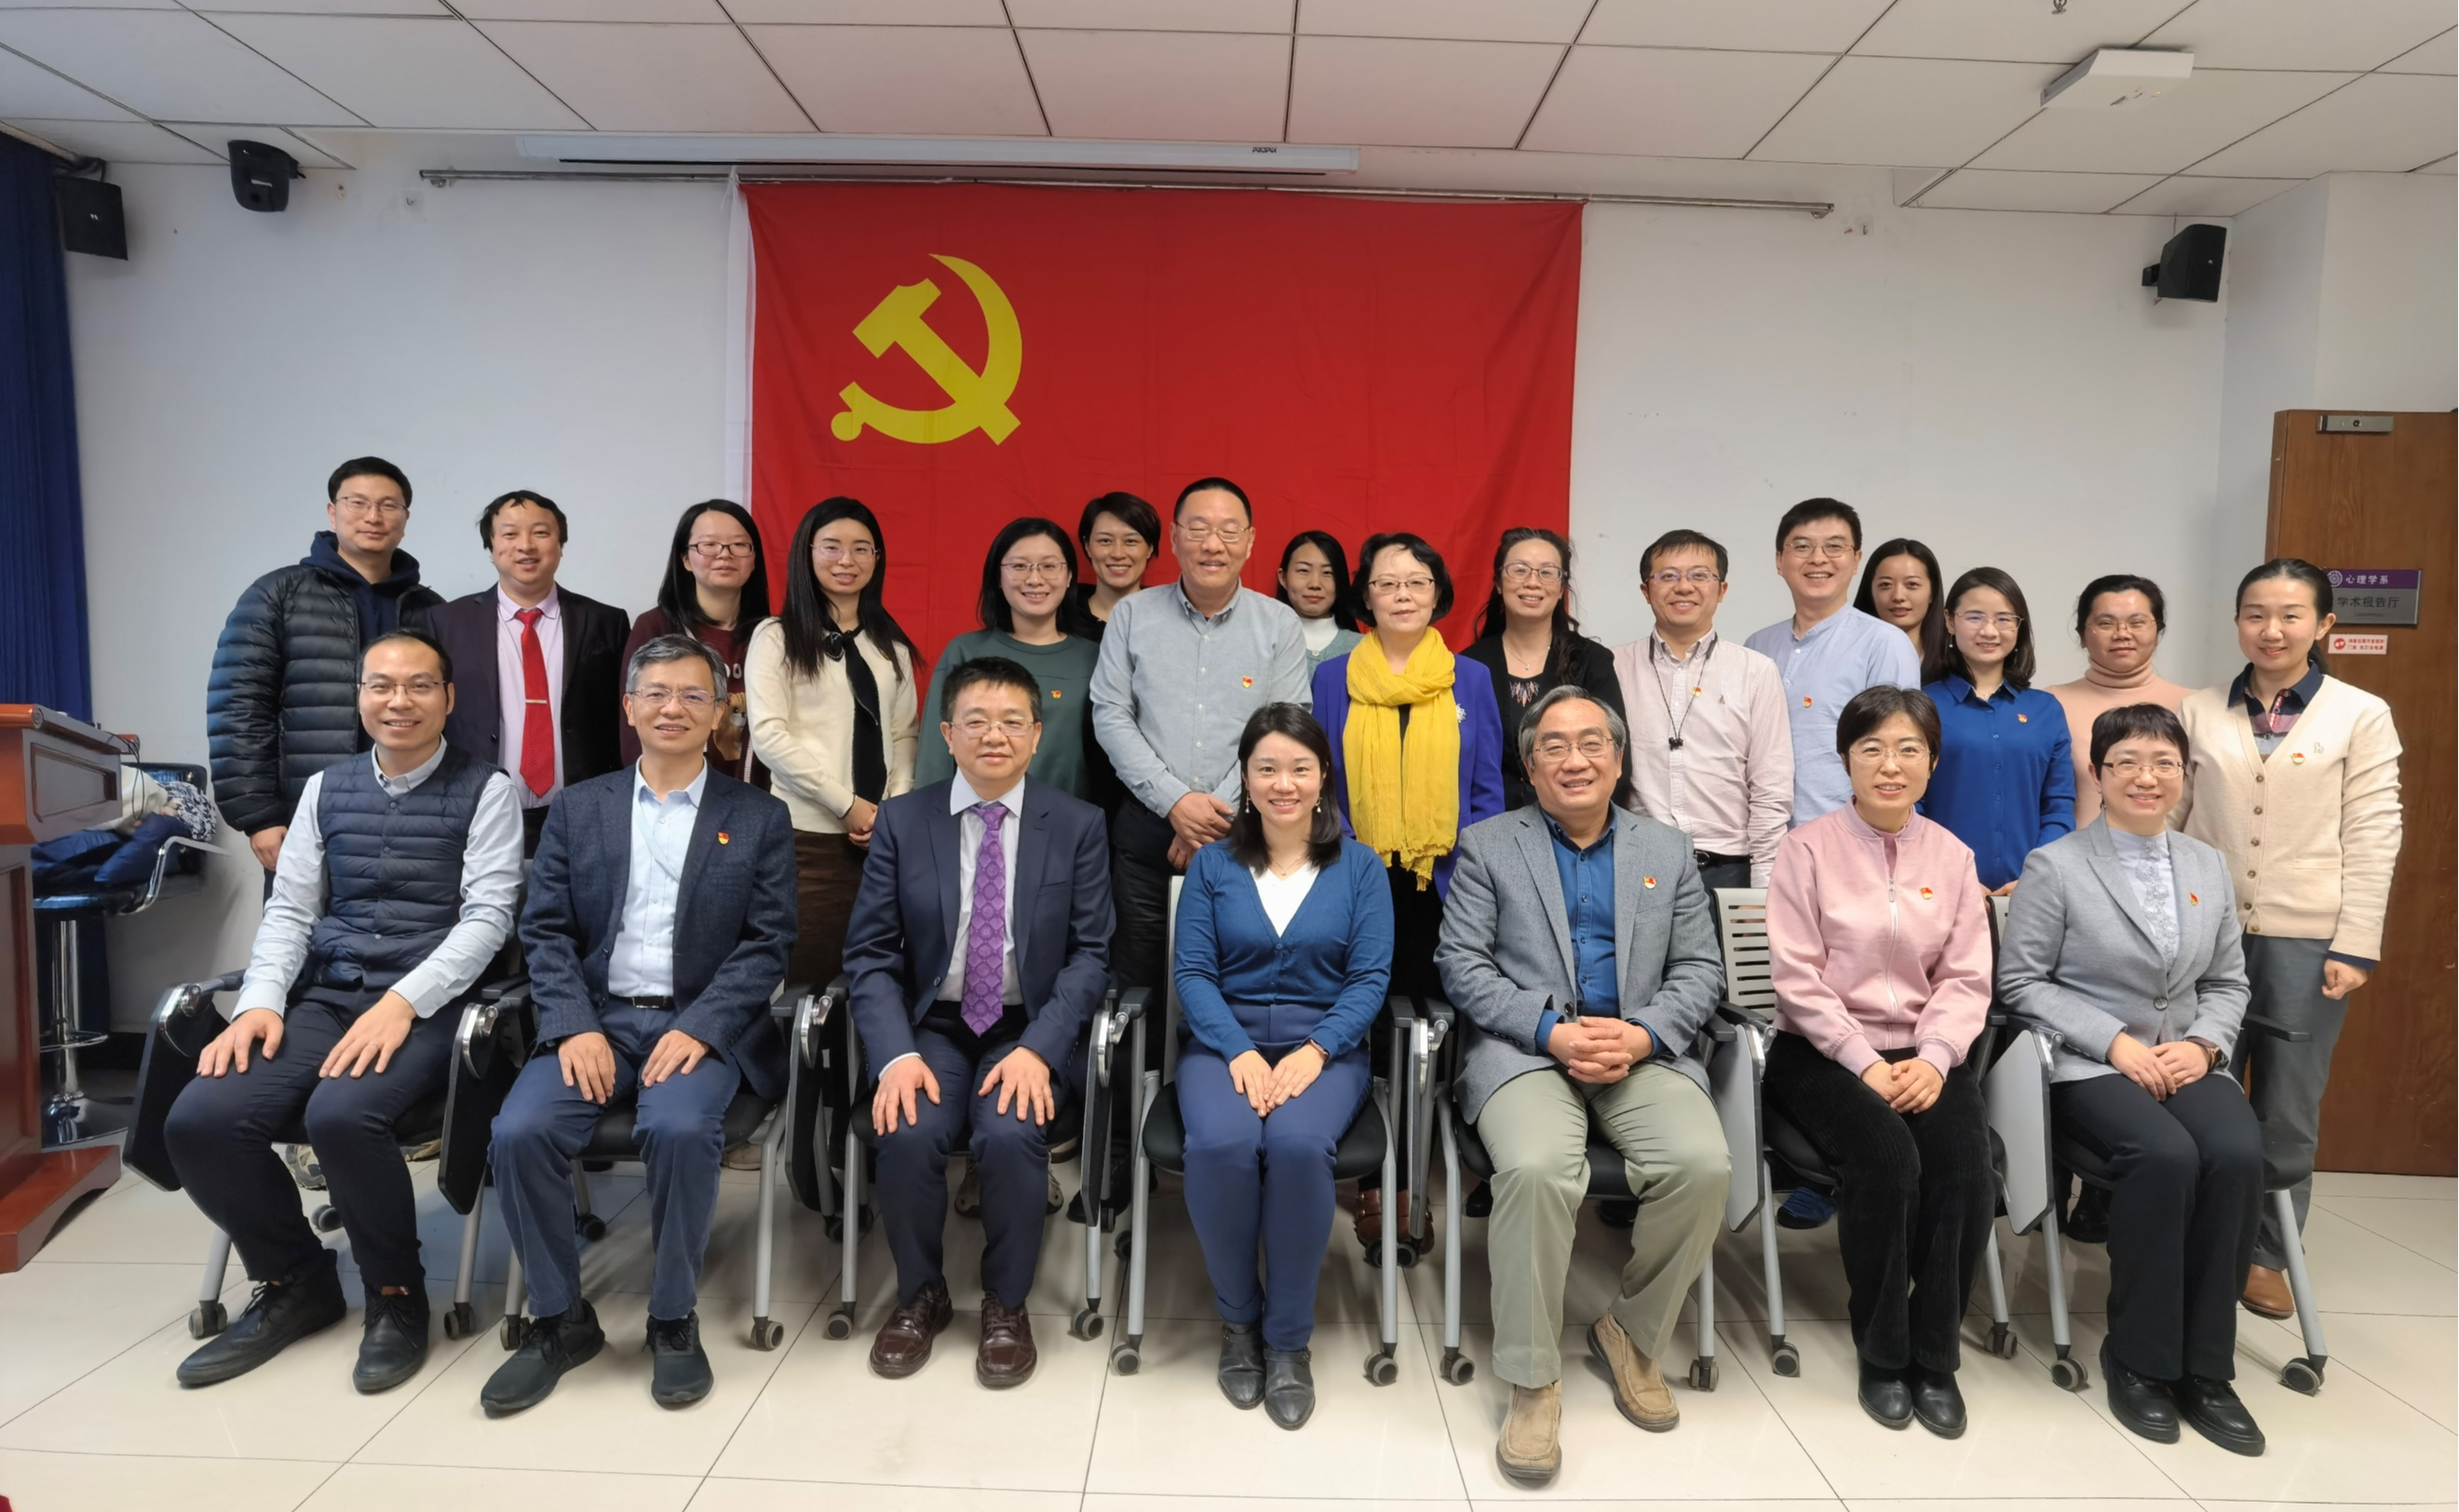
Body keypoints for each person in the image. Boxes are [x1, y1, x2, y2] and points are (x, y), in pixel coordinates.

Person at [167, 630, 520, 1395]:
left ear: (448, 699)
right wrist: (260, 1004)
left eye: (419, 685)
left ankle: (395, 1294)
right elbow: (291, 911)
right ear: (359, 696)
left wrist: (402, 1002)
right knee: (200, 1120)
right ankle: (295, 1279)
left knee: (341, 1115)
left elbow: (488, 918)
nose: (399, 701)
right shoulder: (325, 788)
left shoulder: (489, 789)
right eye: (381, 685)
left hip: (430, 1004)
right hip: (329, 996)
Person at [480, 633, 796, 1416]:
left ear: (720, 713)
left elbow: (767, 944)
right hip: (596, 1019)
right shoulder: (580, 807)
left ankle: (671, 1317)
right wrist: (572, 1023)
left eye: (693, 695)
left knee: (680, 1129)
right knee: (518, 1131)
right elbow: (545, 931)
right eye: (655, 693)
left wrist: (705, 1025)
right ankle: (559, 1319)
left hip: (697, 1024)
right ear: (629, 707)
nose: (672, 708)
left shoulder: (758, 816)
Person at [1433, 686, 1731, 1486]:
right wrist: (1549, 1031)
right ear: (1530, 768)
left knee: (1702, 1166)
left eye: (1592, 743)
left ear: (1618, 759)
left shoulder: (1666, 850)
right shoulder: (1488, 846)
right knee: (1536, 1170)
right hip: (1526, 1051)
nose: (1575, 760)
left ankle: (1630, 1332)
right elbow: (1461, 964)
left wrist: (1643, 1034)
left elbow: (1699, 968)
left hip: (1639, 1049)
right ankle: (1532, 1380)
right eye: (1554, 747)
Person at [1998, 703, 2266, 1456]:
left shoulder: (2206, 865)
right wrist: (2112, 1042)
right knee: (2164, 1156)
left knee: (2236, 1154)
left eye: (2163, 764)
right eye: (2126, 763)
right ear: (2098, 773)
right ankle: (2140, 1360)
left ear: (2183, 774)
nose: (2146, 778)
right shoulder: (2055, 866)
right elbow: (2020, 982)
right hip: (2088, 1062)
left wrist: (2207, 1046)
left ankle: (2205, 1368)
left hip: (2184, 1056)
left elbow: (2227, 982)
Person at [844, 657, 1114, 1389]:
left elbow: (1092, 955)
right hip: (930, 1025)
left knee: (1009, 1131)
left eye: (1011, 722)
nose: (994, 736)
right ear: (947, 734)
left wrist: (1041, 1049)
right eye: (976, 721)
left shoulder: (1077, 824)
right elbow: (869, 954)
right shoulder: (903, 821)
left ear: (1036, 735)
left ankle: (1006, 1301)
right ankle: (920, 1293)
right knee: (908, 1128)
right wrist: (894, 1055)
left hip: (1027, 1025)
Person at [1761, 685, 1993, 1439]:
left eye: (1907, 750)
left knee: (1964, 1168)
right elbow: (1795, 978)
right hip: (1818, 1052)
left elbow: (1966, 979)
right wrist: (1862, 1061)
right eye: (1871, 749)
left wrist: (1935, 1057)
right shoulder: (1806, 849)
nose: (1889, 766)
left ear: (1931, 762)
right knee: (1888, 1161)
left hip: (1924, 1052)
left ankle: (1935, 1356)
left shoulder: (1952, 856)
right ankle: (1884, 1352)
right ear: (1845, 760)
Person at [2178, 559, 2402, 1323]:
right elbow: (2168, 815)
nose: (2270, 630)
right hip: (2204, 936)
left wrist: (2356, 942)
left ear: (2323, 624)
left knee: (2285, 1103)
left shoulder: (2359, 714)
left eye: (2289, 615)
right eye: (2254, 614)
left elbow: (2373, 832)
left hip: (2307, 940)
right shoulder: (2197, 710)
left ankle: (2268, 1252)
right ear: (2236, 622)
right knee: (2195, 1087)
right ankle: (2195, 1233)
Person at [1173, 704, 1393, 1431]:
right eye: (1266, 768)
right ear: (1245, 778)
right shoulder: (1212, 865)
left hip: (1324, 1050)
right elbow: (1193, 973)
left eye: (1299, 767)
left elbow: (1369, 978)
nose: (1283, 783)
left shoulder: (1360, 867)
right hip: (1221, 1046)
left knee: (1298, 1145)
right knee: (1222, 1143)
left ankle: (1288, 1340)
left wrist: (1316, 1049)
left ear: (1323, 775)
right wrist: (1237, 1049)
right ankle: (1239, 1322)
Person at [1088, 477, 1311, 1001]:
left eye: (1229, 531)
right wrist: (1176, 803)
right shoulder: (1131, 616)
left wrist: (1210, 817)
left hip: (1245, 835)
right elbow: (1111, 714)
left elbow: (1285, 724)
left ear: (1250, 541)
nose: (1213, 545)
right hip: (1146, 833)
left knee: (1239, 987)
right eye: (1198, 529)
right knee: (1138, 987)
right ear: (1173, 538)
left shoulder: (1279, 623)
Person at [208, 456, 444, 875]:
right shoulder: (278, 595)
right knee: (302, 919)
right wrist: (259, 815)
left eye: (388, 505)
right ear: (333, 512)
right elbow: (239, 708)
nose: (373, 517)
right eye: (358, 503)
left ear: (405, 519)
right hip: (306, 812)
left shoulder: (430, 609)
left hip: (415, 813)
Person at [1309, 533, 1506, 996]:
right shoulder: (1333, 678)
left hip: (1448, 876)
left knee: (1435, 1005)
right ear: (1366, 597)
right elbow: (1318, 782)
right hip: (1353, 868)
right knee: (1358, 997)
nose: (1403, 595)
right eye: (1387, 583)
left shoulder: (1470, 678)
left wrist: (1476, 870)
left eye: (1418, 582)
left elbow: (1486, 790)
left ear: (1437, 594)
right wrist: (1347, 852)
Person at [748, 497, 920, 996]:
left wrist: (890, 811)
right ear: (807, 553)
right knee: (810, 984)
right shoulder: (776, 637)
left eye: (862, 548)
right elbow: (769, 736)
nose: (847, 560)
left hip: (883, 841)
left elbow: (904, 734)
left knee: (880, 978)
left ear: (877, 559)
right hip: (808, 841)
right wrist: (847, 805)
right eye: (832, 547)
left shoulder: (892, 646)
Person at [428, 490, 632, 854]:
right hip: (472, 810)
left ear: (560, 544)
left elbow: (622, 719)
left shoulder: (606, 622)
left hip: (583, 813)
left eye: (540, 533)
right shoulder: (445, 622)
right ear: (491, 547)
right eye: (510, 534)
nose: (526, 545)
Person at [1611, 529, 1792, 892]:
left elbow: (1771, 787)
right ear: (1646, 590)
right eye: (1668, 576)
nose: (1684, 587)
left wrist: (1764, 889)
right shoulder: (1613, 666)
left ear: (1721, 590)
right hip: (1638, 866)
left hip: (1729, 871)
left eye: (1699, 575)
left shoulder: (1755, 671)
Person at [1745, 498, 1923, 827]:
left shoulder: (1884, 644)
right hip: (1763, 838)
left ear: (1856, 560)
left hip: (1848, 839)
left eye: (1834, 546)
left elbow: (1898, 757)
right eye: (1802, 546)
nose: (1818, 558)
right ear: (1779, 560)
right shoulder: (1757, 647)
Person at [916, 519, 1101, 802]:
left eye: (1049, 566)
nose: (1035, 579)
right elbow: (935, 757)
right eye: (1019, 566)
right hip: (976, 818)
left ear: (1069, 577)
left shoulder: (1096, 658)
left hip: (1071, 819)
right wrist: (930, 816)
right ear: (998, 578)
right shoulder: (965, 651)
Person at [1919, 567, 2074, 894]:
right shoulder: (1922, 705)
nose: (1989, 631)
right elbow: (1911, 807)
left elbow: (2058, 807)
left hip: (2030, 892)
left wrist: (2034, 877)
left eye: (2004, 619)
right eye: (1974, 617)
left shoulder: (2045, 710)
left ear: (2019, 627)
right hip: (1939, 887)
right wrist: (1949, 876)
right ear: (1949, 621)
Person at [1462, 527, 1625, 811]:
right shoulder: (1469, 665)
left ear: (1562, 588)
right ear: (1498, 582)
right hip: (1491, 824)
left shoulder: (1592, 661)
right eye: (1519, 570)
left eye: (1547, 572)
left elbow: (1615, 755)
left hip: (1575, 820)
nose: (1532, 582)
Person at [619, 499, 774, 783]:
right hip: (676, 793)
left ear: (754, 559)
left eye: (739, 545)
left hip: (761, 795)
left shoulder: (773, 635)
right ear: (686, 559)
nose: (725, 555)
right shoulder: (656, 627)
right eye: (709, 545)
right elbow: (635, 728)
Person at [2049, 574, 2190, 828]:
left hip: (2168, 851)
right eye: (2106, 623)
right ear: (2082, 635)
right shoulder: (2049, 705)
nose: (2122, 634)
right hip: (2074, 850)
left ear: (2158, 632)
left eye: (2137, 622)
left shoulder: (2192, 706)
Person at [1061, 491, 1160, 641]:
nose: (1118, 554)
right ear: (1087, 546)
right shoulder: (1062, 612)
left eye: (1131, 541)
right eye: (1105, 541)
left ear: (1150, 548)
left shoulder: (1169, 613)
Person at [1855, 537, 1948, 680]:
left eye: (1912, 584)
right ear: (1870, 591)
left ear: (1932, 592)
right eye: (1885, 585)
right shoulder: (1848, 655)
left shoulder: (1955, 660)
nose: (1898, 596)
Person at [1276, 530, 1362, 671]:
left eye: (1327, 573)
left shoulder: (1364, 648)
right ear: (1283, 578)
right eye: (1303, 570)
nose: (1315, 584)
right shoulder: (1264, 643)